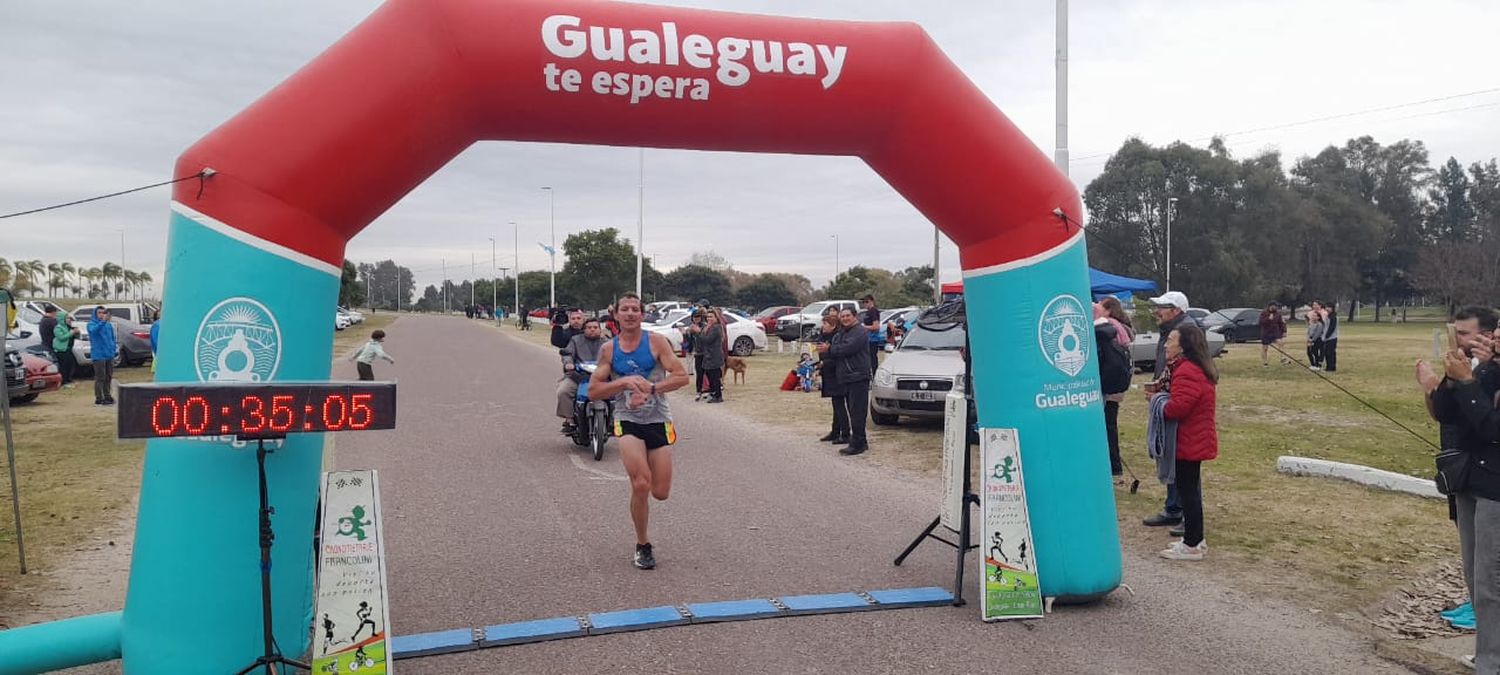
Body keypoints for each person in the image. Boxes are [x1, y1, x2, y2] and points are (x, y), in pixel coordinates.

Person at [1417, 307, 1500, 662]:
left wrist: (1466, 381)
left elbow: (1491, 429)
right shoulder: (1489, 370)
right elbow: (1448, 413)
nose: (1494, 341)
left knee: (1490, 581)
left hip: (1494, 487)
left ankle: (1490, 663)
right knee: (1475, 576)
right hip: (1469, 479)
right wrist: (1446, 381)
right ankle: (1487, 652)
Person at [588, 293, 689, 570]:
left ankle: (644, 534)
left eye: (635, 309)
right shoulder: (609, 349)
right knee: (641, 483)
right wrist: (623, 384)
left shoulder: (656, 342)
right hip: (627, 419)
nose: (630, 313)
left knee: (661, 492)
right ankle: (643, 544)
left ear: (642, 315)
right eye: (625, 309)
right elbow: (594, 390)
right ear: (616, 314)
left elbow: (681, 377)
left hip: (657, 419)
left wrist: (652, 389)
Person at [1150, 324, 1219, 560]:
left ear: (1183, 345)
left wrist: (1157, 401)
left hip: (1189, 440)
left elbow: (1178, 409)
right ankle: (1195, 539)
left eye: (1171, 340)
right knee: (1189, 490)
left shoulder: (1187, 370)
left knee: (1188, 492)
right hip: (1193, 438)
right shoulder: (1191, 367)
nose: (1166, 344)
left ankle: (1191, 545)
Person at [1141, 291, 1199, 527]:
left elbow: (1191, 372)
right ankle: (1173, 507)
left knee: (1185, 462)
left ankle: (1189, 514)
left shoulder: (1187, 331)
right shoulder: (1169, 330)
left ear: (1175, 310)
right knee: (1169, 455)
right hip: (1167, 398)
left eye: (1162, 307)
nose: (1157, 311)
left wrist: (1168, 398)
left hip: (1179, 404)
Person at [820, 307, 873, 455]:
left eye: (848, 315)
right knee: (852, 410)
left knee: (857, 412)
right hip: (847, 376)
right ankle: (859, 441)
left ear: (855, 316)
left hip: (858, 376)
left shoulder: (859, 332)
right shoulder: (843, 332)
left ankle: (858, 443)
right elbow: (837, 344)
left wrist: (829, 350)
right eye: (842, 316)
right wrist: (831, 348)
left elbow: (847, 348)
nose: (845, 318)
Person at [1094, 302, 1134, 478]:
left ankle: (1113, 465)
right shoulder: (1117, 327)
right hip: (1117, 383)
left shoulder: (1102, 328)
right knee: (1110, 425)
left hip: (1107, 385)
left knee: (1107, 426)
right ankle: (1114, 465)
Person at [556, 318, 607, 433]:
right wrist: (568, 363)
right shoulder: (575, 340)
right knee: (563, 391)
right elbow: (567, 354)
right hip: (579, 376)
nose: (592, 330)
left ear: (600, 329)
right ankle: (569, 420)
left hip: (603, 378)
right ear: (584, 329)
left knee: (620, 391)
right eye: (589, 328)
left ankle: (616, 419)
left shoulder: (607, 342)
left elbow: (617, 355)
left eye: (595, 327)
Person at [815, 310, 849, 443]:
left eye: (825, 323)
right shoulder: (823, 336)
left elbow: (838, 357)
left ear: (833, 325)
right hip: (828, 373)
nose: (823, 326)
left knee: (839, 404)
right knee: (835, 404)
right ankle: (835, 431)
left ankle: (845, 433)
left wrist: (824, 363)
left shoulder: (837, 338)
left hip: (837, 374)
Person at [86, 306, 117, 406]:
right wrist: (102, 322)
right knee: (100, 377)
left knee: (108, 376)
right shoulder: (91, 324)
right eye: (99, 312)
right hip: (98, 355)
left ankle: (107, 395)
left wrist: (113, 349)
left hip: (109, 354)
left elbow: (112, 338)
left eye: (103, 313)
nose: (101, 314)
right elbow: (93, 331)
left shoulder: (109, 325)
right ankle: (99, 397)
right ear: (95, 313)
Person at [697, 310, 726, 403]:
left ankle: (718, 396)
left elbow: (708, 340)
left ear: (716, 318)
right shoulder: (709, 327)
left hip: (714, 355)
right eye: (708, 317)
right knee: (709, 374)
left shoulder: (716, 328)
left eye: (711, 317)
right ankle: (713, 392)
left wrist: (699, 332)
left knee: (715, 376)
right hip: (708, 355)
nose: (709, 318)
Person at [52, 311, 80, 387]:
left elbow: (75, 336)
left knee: (70, 365)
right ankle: (63, 381)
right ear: (62, 319)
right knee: (63, 366)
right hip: (61, 350)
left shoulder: (68, 327)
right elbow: (61, 338)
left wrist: (77, 332)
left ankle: (68, 379)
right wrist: (71, 333)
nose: (69, 319)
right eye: (67, 318)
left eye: (69, 318)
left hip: (69, 349)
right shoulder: (58, 328)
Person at [1258, 302, 1288, 367]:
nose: (1276, 307)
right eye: (1275, 306)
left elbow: (1281, 323)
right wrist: (1268, 319)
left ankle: (1282, 358)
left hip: (1275, 333)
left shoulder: (1278, 314)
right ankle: (1265, 363)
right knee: (1265, 348)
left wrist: (1284, 331)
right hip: (1266, 333)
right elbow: (1261, 322)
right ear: (1271, 306)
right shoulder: (1264, 313)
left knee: (1281, 343)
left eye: (1277, 306)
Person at [859, 294, 883, 374]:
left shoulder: (873, 311)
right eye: (863, 302)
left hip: (873, 339)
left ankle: (874, 374)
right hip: (867, 339)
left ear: (872, 301)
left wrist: (864, 327)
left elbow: (876, 327)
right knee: (866, 359)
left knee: (872, 360)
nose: (865, 304)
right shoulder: (867, 312)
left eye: (866, 302)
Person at [1320, 301, 1340, 372]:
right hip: (1327, 338)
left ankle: (1331, 368)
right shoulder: (1328, 316)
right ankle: (1329, 367)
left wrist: (1326, 336)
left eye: (1329, 307)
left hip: (1332, 338)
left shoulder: (1333, 317)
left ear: (1332, 308)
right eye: (1326, 307)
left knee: (1330, 353)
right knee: (1327, 353)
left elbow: (1331, 328)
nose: (1327, 309)